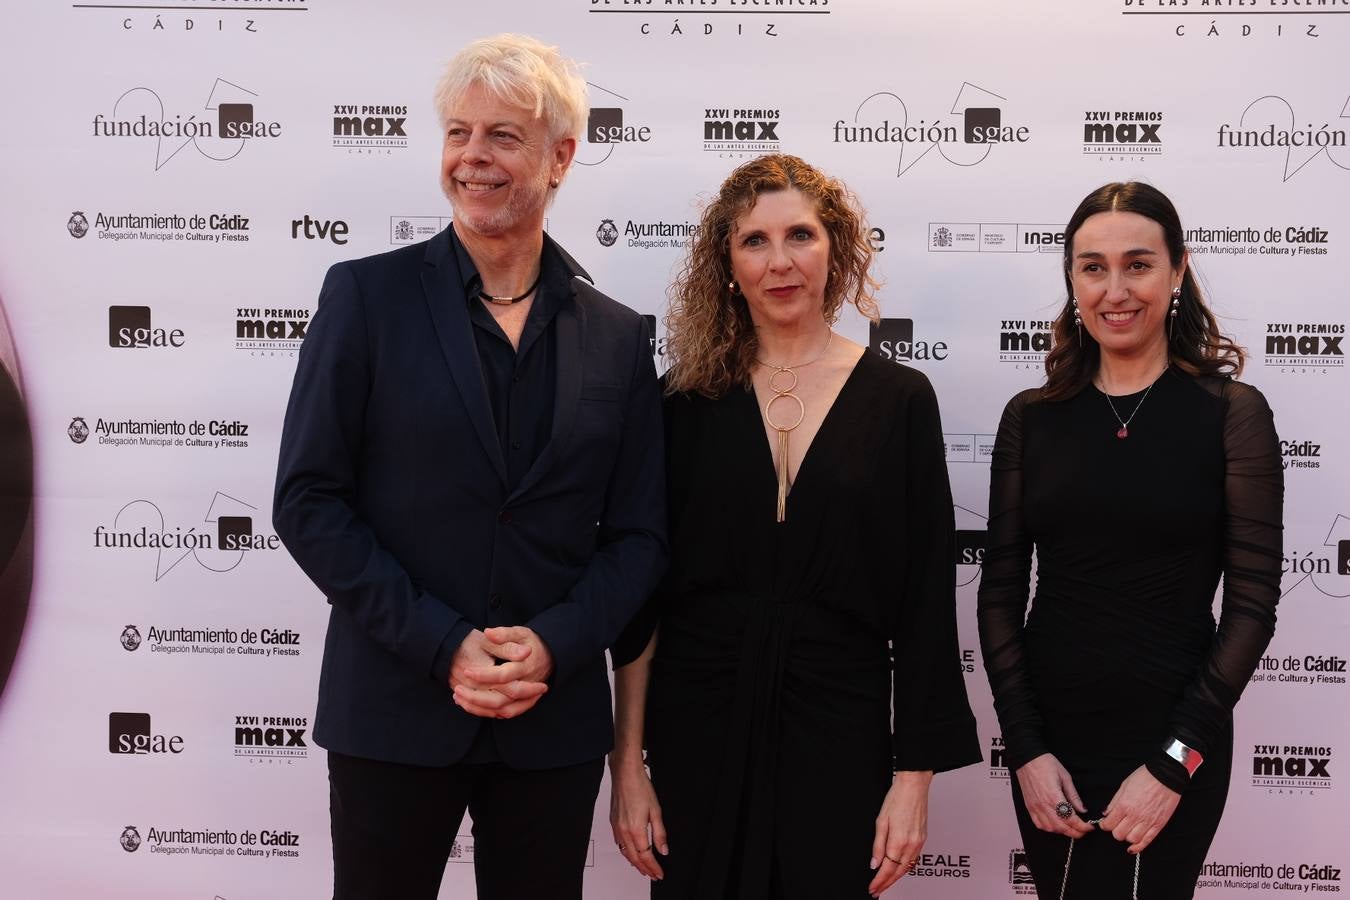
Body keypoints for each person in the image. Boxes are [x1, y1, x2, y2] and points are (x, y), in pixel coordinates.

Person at [272, 34, 666, 900]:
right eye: (458, 133)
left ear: (561, 156)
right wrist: (443, 644)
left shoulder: (618, 334)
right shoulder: (364, 299)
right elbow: (308, 502)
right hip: (393, 710)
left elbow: (640, 538)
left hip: (550, 723)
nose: (472, 159)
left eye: (502, 137)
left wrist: (556, 646)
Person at [608, 153, 980, 900]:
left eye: (800, 236)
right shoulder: (680, 403)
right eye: (754, 241)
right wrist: (627, 768)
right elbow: (642, 604)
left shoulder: (901, 398)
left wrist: (913, 780)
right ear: (727, 261)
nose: (780, 263)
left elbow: (923, 603)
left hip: (841, 731)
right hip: (698, 731)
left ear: (836, 247)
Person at [977, 181, 1282, 899]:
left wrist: (1175, 764)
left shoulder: (1231, 414)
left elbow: (1252, 608)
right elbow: (998, 598)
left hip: (1174, 739)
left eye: (1138, 264)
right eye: (1092, 267)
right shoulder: (1033, 417)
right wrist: (1025, 749)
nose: (1115, 290)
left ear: (1177, 271)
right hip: (1052, 744)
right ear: (1072, 279)